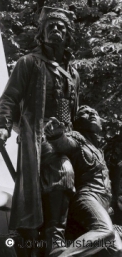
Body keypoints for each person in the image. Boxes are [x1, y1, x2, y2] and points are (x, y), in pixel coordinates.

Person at [0, 7, 80, 255]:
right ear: (41, 33)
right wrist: (3, 128)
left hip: (68, 137)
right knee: (64, 171)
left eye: (61, 27)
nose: (55, 30)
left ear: (68, 35)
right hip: (38, 137)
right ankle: (54, 235)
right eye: (50, 26)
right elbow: (9, 98)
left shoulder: (73, 74)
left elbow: (75, 111)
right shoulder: (28, 63)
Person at [45, 107, 122, 257]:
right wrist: (57, 135)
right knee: (105, 231)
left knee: (117, 250)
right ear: (78, 122)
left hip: (102, 204)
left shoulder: (99, 150)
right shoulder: (78, 139)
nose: (92, 114)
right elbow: (66, 143)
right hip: (87, 197)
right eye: (84, 113)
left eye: (95, 113)